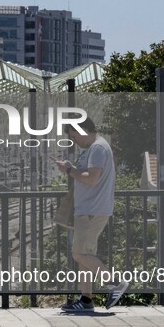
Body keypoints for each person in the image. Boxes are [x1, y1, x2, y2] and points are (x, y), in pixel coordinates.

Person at [54, 117, 128, 312]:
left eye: (74, 136)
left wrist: (69, 170)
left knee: (79, 253)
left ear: (83, 130)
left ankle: (115, 283)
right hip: (89, 210)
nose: (75, 141)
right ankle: (86, 300)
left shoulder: (98, 148)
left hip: (92, 211)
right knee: (86, 255)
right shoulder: (96, 148)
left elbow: (92, 179)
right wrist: (71, 169)